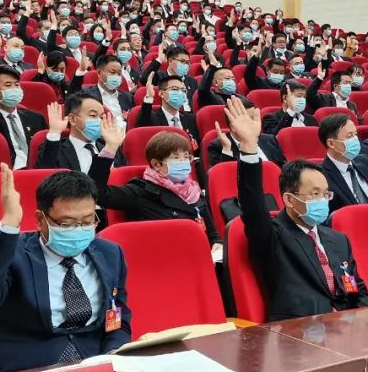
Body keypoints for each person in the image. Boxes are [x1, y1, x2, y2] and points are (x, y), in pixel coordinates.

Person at [0, 165, 130, 372]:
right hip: (26, 370)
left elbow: (118, 317)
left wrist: (114, 355)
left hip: (94, 367)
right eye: (67, 224)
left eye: (88, 221)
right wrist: (9, 223)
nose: (79, 229)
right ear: (40, 220)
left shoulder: (110, 253)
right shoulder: (14, 254)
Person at [231, 100, 368, 321]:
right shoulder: (273, 236)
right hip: (299, 332)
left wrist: (360, 321)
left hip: (347, 329)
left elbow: (358, 290)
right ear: (289, 199)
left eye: (325, 194)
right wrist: (249, 147)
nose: (322, 200)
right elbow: (252, 204)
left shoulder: (338, 240)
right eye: (314, 193)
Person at [90, 121, 223, 255]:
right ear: (156, 164)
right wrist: (110, 149)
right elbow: (97, 194)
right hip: (161, 256)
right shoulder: (140, 192)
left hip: (199, 256)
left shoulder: (193, 190)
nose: (183, 162)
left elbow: (213, 235)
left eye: (186, 157)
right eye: (176, 157)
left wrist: (217, 244)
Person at [208, 99, 286, 167]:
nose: (254, 123)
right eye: (248, 120)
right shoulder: (219, 147)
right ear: (233, 127)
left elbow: (284, 170)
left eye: (255, 118)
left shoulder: (270, 140)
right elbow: (224, 177)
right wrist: (227, 151)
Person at [136, 72, 200, 143]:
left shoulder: (191, 119)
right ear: (161, 93)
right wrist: (149, 96)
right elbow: (143, 120)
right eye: (175, 89)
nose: (180, 93)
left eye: (183, 90)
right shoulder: (153, 118)